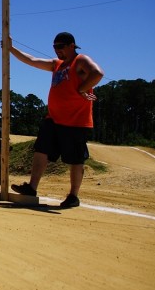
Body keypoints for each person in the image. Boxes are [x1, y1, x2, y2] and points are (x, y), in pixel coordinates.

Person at [9, 32, 104, 208]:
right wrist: (11, 48)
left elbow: (97, 73)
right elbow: (31, 60)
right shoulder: (56, 64)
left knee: (75, 159)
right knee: (41, 149)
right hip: (53, 118)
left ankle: (73, 196)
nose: (57, 50)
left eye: (60, 46)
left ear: (72, 46)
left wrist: (82, 89)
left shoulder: (80, 60)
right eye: (55, 47)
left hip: (75, 121)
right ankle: (31, 187)